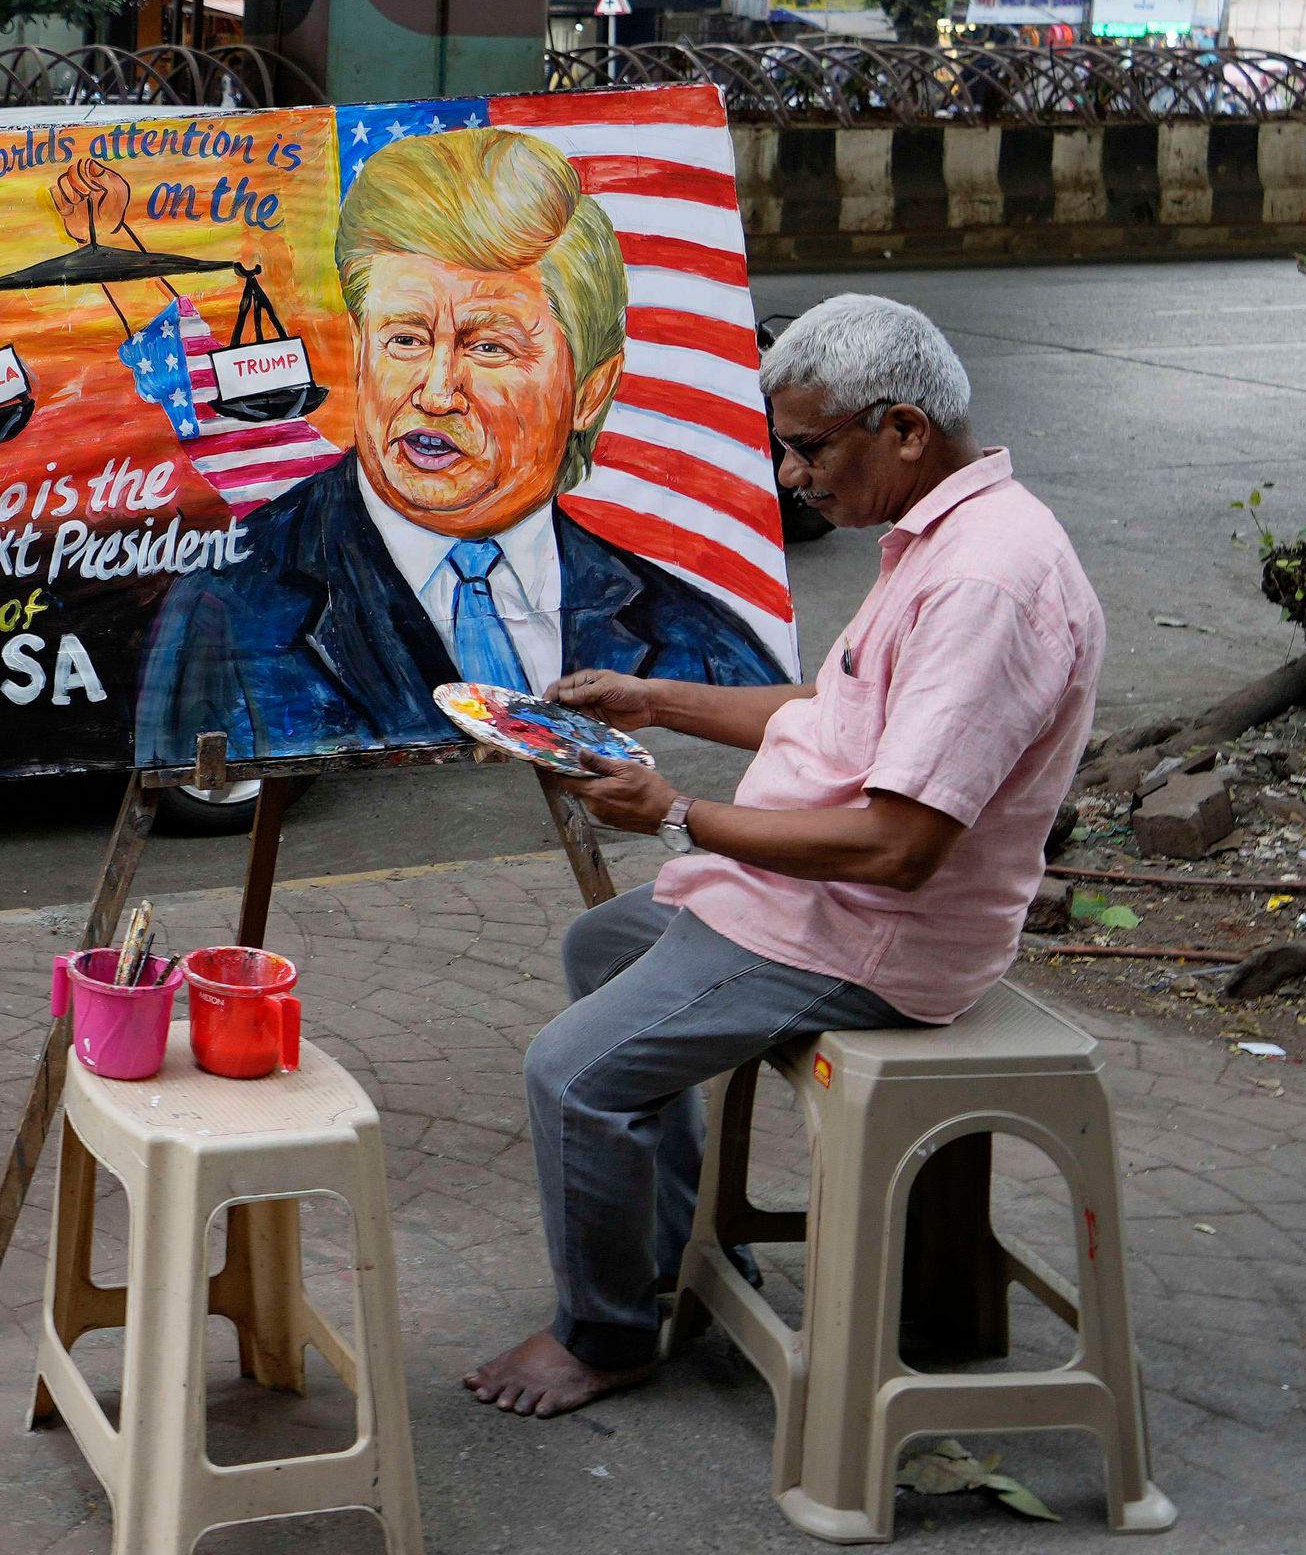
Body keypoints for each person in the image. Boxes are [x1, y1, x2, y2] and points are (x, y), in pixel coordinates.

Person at [464, 293, 1098, 1419]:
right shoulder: (941, 536)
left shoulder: (985, 580)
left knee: (571, 1070)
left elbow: (898, 847)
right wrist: (656, 700)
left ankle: (604, 1332)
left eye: (807, 448)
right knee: (603, 943)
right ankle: (664, 1260)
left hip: (865, 929)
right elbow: (831, 711)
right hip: (812, 899)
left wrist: (675, 816)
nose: (794, 477)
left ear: (902, 429)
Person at [133, 125, 776, 765]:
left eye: (488, 346)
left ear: (588, 387)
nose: (437, 393)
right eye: (406, 340)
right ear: (360, 352)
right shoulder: (231, 605)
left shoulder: (694, 642)